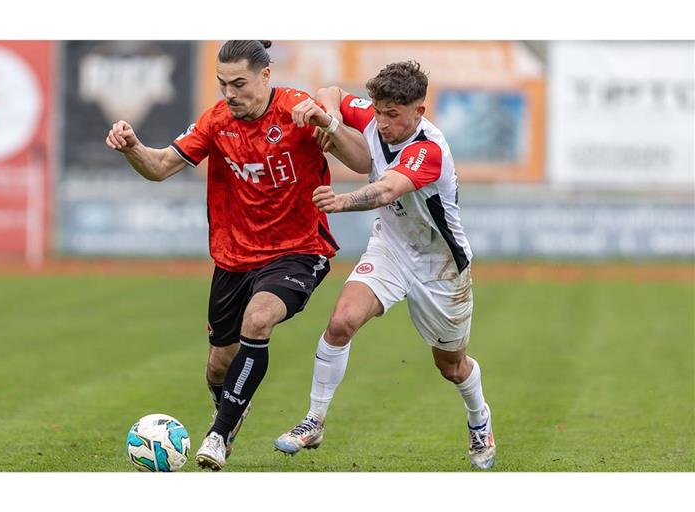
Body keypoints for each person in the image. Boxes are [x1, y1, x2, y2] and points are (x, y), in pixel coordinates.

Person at [105, 40, 370, 471]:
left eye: (240, 83)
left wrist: (330, 124)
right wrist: (133, 146)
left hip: (299, 250)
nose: (230, 93)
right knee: (218, 367)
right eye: (223, 84)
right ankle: (233, 404)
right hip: (233, 258)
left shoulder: (297, 110)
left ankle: (219, 434)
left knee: (259, 319)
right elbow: (158, 168)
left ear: (266, 76)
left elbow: (361, 162)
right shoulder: (215, 121)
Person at [274, 60, 497, 469]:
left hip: (440, 265)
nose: (382, 122)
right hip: (391, 248)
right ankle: (314, 420)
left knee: (450, 366)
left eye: (393, 115)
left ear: (419, 112)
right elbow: (333, 92)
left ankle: (479, 419)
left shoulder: (428, 151)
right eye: (378, 111)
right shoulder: (376, 117)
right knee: (341, 321)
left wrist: (340, 201)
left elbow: (386, 189)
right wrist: (332, 120)